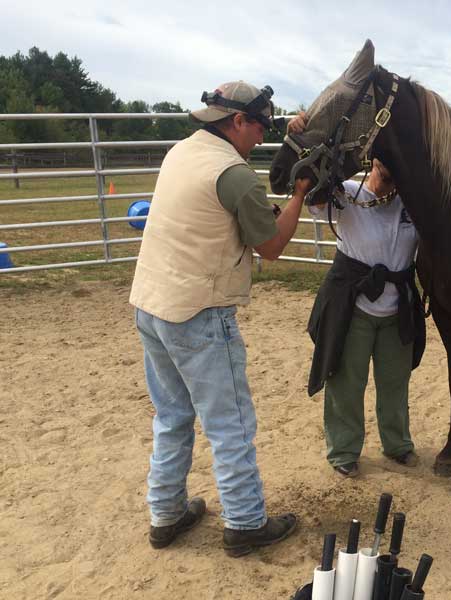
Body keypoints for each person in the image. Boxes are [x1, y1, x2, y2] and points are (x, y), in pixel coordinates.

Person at [129, 81, 310, 557]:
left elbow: (210, 217)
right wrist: (300, 196)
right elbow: (271, 247)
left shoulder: (183, 151)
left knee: (171, 416)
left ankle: (165, 514)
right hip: (198, 311)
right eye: (261, 125)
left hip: (151, 301)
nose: (263, 135)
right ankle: (246, 523)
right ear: (237, 122)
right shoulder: (235, 173)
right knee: (230, 422)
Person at [302, 145, 426, 478]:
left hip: (397, 309)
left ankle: (398, 444)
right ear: (372, 160)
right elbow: (313, 200)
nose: (392, 165)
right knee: (345, 382)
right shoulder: (346, 194)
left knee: (395, 382)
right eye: (385, 158)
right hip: (354, 306)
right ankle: (343, 450)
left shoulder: (411, 204)